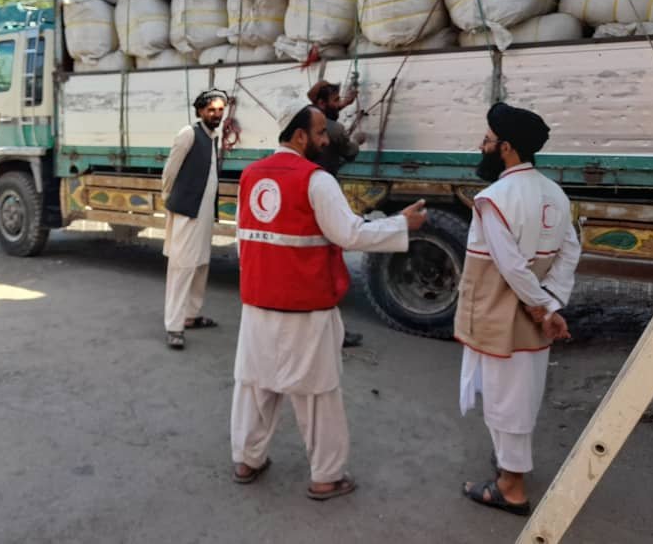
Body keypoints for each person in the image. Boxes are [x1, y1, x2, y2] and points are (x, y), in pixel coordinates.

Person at [230, 102, 427, 499]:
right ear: (300, 136)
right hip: (305, 307)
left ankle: (247, 460)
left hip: (258, 304)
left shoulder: (250, 175)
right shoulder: (316, 180)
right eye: (321, 133)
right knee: (318, 395)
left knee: (255, 386)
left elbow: (243, 240)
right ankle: (326, 477)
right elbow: (349, 234)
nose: (326, 140)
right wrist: (401, 224)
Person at [457, 102, 581, 516]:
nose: (482, 146)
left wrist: (541, 306)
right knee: (520, 393)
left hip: (502, 314)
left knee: (505, 397)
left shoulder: (494, 197)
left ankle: (511, 487)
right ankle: (509, 464)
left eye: (488, 141)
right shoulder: (556, 193)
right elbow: (570, 251)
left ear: (506, 147)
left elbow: (508, 263)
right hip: (533, 315)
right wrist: (552, 302)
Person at [161, 89, 227, 350]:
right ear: (200, 111)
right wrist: (173, 202)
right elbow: (170, 171)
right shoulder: (188, 133)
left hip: (204, 213)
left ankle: (191, 315)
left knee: (200, 264)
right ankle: (174, 326)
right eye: (211, 110)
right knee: (182, 268)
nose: (216, 115)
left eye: (220, 110)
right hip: (187, 211)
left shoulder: (213, 137)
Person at [307, 80, 368, 349]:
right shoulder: (333, 129)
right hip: (324, 205)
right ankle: (330, 333)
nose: (323, 138)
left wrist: (345, 103)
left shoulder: (305, 121)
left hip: (309, 205)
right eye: (334, 101)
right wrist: (355, 140)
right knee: (327, 271)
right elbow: (349, 150)